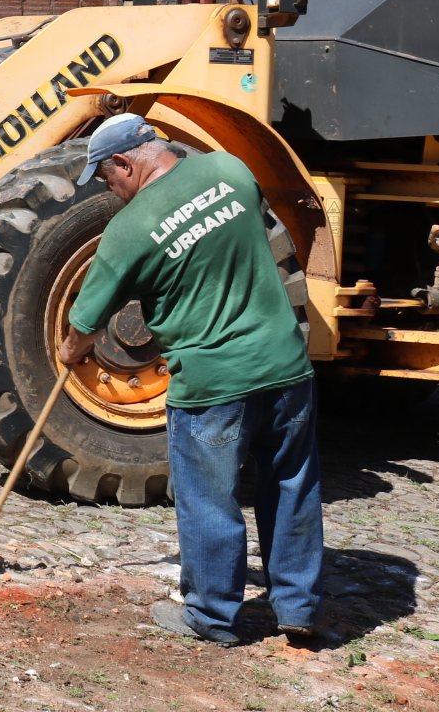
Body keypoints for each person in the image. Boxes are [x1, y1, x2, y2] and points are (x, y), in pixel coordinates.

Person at [56, 114, 321, 647]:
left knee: (208, 497)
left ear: (126, 163)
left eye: (107, 179)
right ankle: (298, 607)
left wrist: (69, 353)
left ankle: (212, 616)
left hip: (213, 383)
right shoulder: (229, 169)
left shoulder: (128, 231)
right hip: (286, 366)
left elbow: (82, 326)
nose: (112, 192)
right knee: (290, 483)